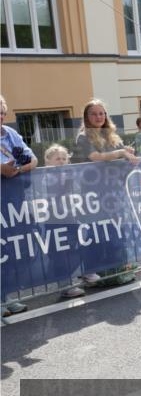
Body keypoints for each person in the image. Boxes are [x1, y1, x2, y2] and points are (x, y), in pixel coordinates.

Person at [72, 99, 139, 286]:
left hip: (112, 191)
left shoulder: (111, 134)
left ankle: (115, 268)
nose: (98, 117)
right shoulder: (83, 137)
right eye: (94, 114)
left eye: (101, 113)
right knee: (95, 233)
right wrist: (121, 154)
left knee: (114, 231)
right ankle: (90, 271)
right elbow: (96, 157)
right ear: (86, 117)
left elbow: (119, 152)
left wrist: (127, 150)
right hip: (93, 193)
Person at [1, 95, 38, 317]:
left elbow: (32, 159)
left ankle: (6, 296)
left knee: (10, 250)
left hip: (13, 201)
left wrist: (17, 171)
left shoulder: (11, 134)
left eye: (1, 112)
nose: (0, 116)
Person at [43, 145, 87, 298]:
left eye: (64, 159)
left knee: (74, 247)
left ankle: (80, 274)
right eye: (57, 159)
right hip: (53, 220)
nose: (61, 162)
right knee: (59, 253)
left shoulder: (70, 175)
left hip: (71, 217)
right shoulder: (44, 176)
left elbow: (76, 192)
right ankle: (65, 285)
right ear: (48, 161)